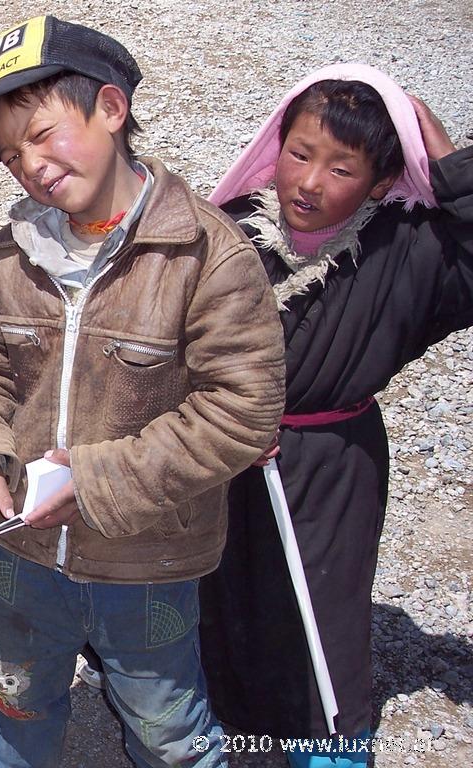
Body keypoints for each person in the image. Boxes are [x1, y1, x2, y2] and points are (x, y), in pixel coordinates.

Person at [0, 15, 285, 768]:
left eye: (44, 133)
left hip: (147, 561)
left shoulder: (206, 255)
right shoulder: (9, 254)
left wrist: (91, 482)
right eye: (10, 153)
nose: (29, 164)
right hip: (21, 553)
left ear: (112, 109)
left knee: (168, 731)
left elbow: (242, 411)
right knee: (17, 706)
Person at [199, 63, 472, 768]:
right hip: (222, 453)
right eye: (299, 153)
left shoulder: (412, 249)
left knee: (324, 611)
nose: (309, 183)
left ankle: (331, 744)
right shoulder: (226, 234)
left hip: (331, 464)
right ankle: (236, 720)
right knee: (226, 591)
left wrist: (448, 161)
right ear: (274, 145)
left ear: (382, 182)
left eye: (342, 168)